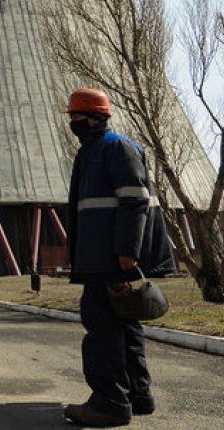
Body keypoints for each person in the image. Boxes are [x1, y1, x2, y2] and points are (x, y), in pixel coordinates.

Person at [62, 88, 176, 427]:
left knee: (102, 327)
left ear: (96, 117)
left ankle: (109, 403)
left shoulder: (116, 147)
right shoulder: (91, 152)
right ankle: (137, 396)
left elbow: (134, 200)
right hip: (101, 253)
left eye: (77, 117)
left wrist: (129, 251)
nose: (73, 123)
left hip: (112, 257)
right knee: (125, 324)